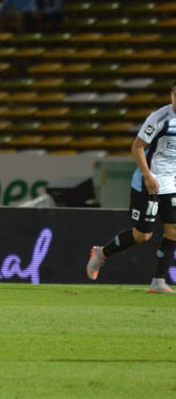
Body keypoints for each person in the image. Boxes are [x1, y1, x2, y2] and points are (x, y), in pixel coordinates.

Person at [86, 80, 176, 294]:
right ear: (172, 94)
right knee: (142, 236)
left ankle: (158, 281)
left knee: (174, 230)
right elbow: (137, 147)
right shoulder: (160, 118)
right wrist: (147, 175)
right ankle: (102, 253)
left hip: (171, 183)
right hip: (149, 183)